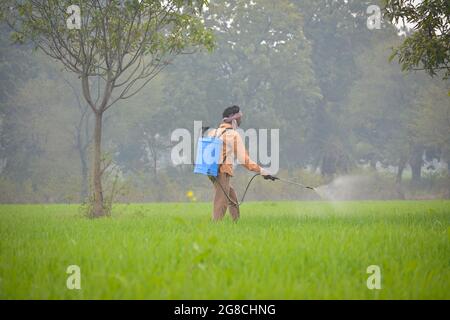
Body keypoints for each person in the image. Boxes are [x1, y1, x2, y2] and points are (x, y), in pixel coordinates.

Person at [208, 105, 276, 221]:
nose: (241, 120)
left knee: (231, 196)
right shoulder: (233, 135)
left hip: (210, 170)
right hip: (223, 171)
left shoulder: (213, 132)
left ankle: (236, 223)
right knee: (222, 200)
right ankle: (216, 225)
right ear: (233, 119)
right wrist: (262, 171)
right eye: (240, 117)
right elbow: (244, 159)